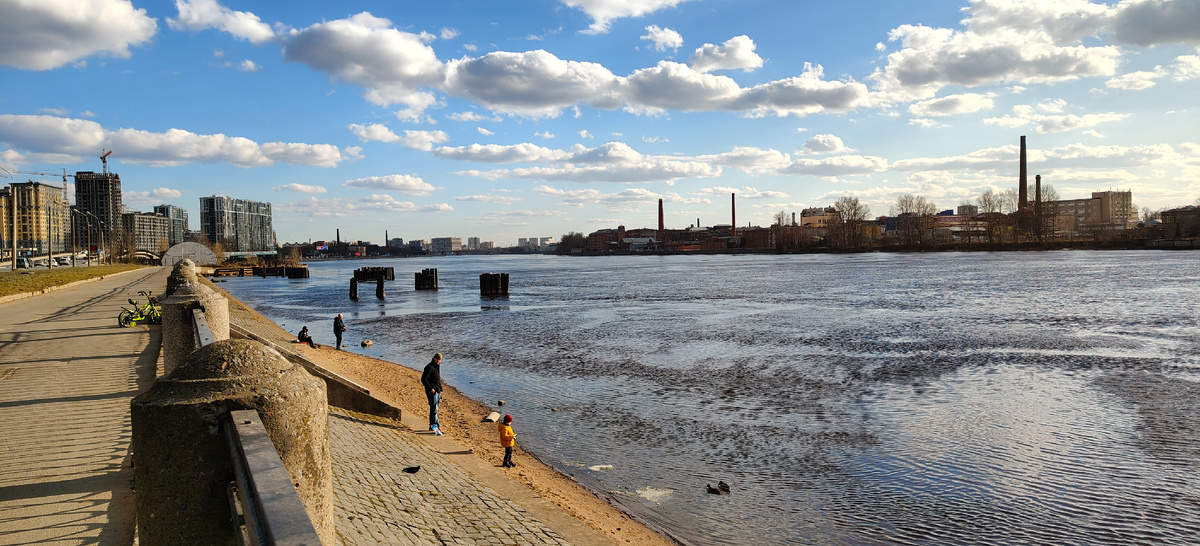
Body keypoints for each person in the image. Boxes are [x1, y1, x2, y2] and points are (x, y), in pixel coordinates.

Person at [420, 353, 444, 435]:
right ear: (434, 358)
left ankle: (431, 425)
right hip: (432, 391)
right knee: (434, 409)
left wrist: (440, 388)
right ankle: (436, 425)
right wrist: (430, 389)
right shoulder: (429, 367)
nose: (438, 361)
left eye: (440, 360)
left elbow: (437, 378)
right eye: (437, 359)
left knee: (434, 409)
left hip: (437, 390)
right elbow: (423, 379)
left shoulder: (437, 366)